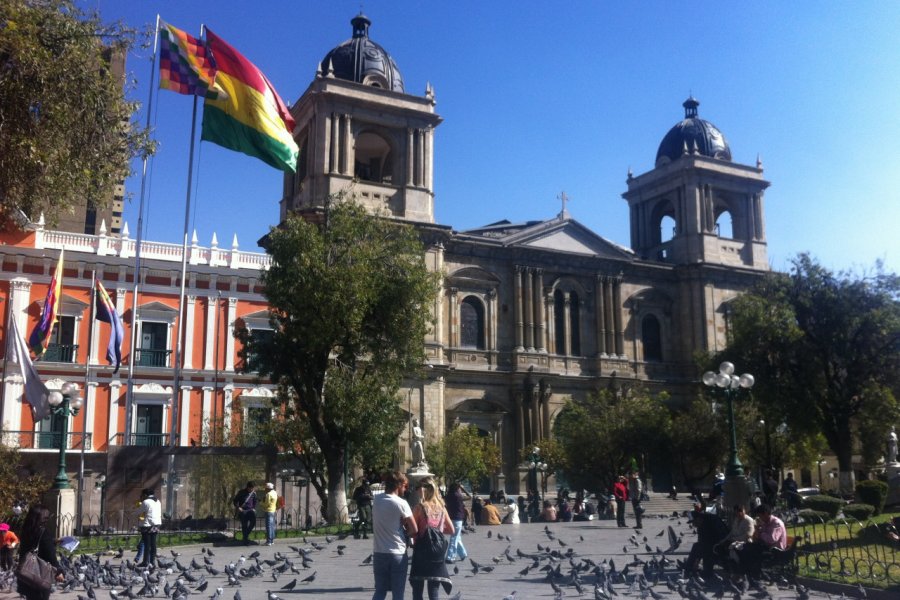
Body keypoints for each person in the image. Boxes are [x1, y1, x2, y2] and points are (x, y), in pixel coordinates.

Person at [372, 471, 417, 600]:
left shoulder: (377, 500)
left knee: (380, 591)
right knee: (398, 594)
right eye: (405, 486)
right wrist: (404, 533)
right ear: (398, 485)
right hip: (397, 552)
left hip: (379, 552)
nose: (405, 489)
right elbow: (414, 529)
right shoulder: (402, 503)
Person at [409, 477, 454, 600]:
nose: (417, 490)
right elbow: (451, 530)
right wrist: (437, 530)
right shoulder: (442, 508)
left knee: (418, 589)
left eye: (419, 488)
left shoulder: (420, 507)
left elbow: (413, 529)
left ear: (424, 490)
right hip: (437, 553)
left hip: (422, 552)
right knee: (434, 589)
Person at [16, 504, 62, 600]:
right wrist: (59, 571)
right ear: (43, 518)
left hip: (26, 573)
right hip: (39, 576)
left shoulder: (26, 530)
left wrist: (52, 541)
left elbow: (32, 545)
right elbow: (50, 555)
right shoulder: (44, 532)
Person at [735, 504, 787, 581]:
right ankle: (745, 575)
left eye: (760, 516)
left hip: (776, 550)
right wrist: (757, 529)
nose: (760, 518)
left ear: (765, 513)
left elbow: (771, 539)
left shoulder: (776, 523)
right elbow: (758, 537)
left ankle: (753, 577)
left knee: (752, 554)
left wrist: (760, 533)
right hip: (766, 547)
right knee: (744, 548)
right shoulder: (765, 523)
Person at [685, 503, 729, 579]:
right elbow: (701, 540)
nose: (693, 525)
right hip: (709, 544)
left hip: (720, 544)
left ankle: (707, 572)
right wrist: (697, 559)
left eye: (693, 522)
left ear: (698, 518)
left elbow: (722, 535)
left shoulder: (712, 520)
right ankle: (689, 569)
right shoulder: (700, 525)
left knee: (706, 549)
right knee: (697, 546)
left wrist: (713, 544)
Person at [713, 504, 755, 569]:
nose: (739, 513)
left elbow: (748, 535)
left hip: (744, 542)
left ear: (744, 511)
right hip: (733, 540)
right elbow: (732, 532)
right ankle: (726, 566)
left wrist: (734, 539)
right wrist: (724, 540)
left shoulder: (749, 520)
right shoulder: (736, 519)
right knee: (719, 547)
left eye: (741, 511)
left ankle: (737, 566)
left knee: (733, 549)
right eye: (737, 512)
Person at [136, 488, 162, 568]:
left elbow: (138, 512)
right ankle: (152, 562)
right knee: (153, 544)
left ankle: (145, 562)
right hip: (156, 524)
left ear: (145, 495)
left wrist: (139, 503)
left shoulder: (145, 501)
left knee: (147, 544)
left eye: (142, 495)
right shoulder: (157, 501)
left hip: (147, 525)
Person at [444, 483, 468, 563]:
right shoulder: (458, 496)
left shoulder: (448, 496)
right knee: (454, 537)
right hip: (458, 518)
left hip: (450, 518)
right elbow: (470, 497)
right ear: (457, 488)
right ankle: (450, 557)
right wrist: (463, 489)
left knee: (457, 537)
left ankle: (463, 554)